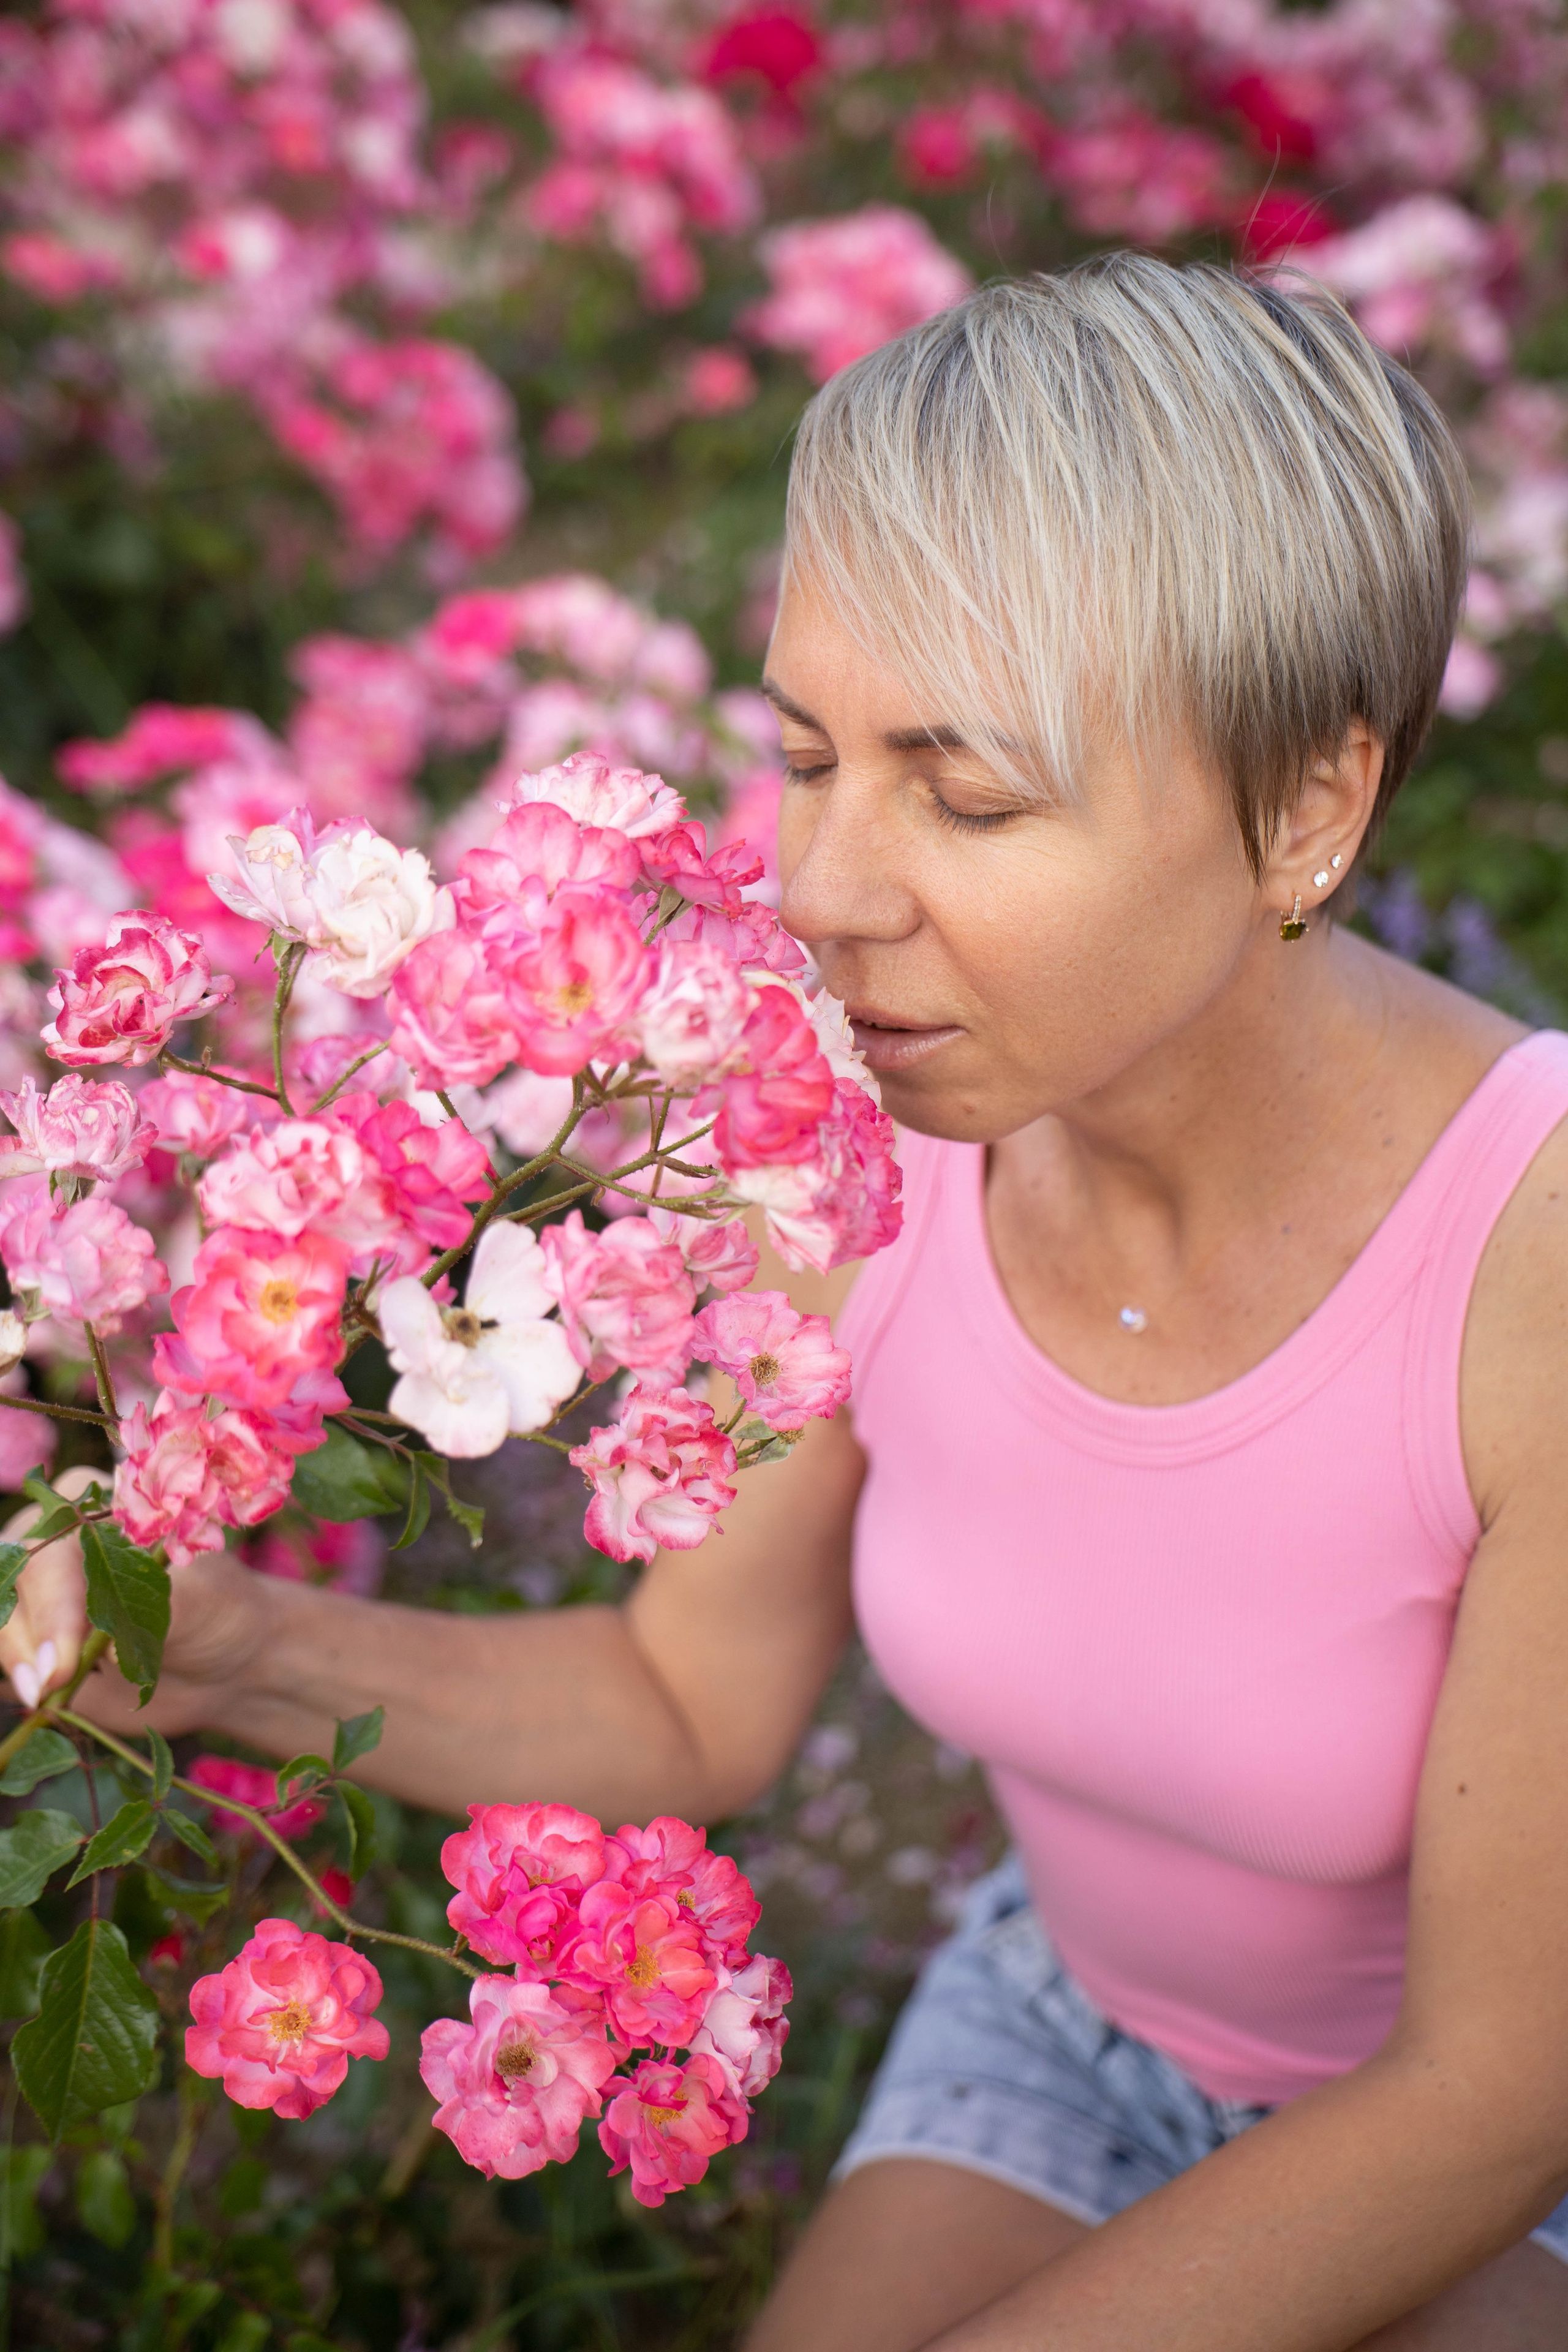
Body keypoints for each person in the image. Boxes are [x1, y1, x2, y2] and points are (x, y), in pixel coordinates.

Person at [7, 254, 1568, 2351]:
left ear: (1307, 808)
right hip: (1061, 2024)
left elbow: (1490, 2098)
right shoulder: (852, 1150)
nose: (825, 892)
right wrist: (232, 1652)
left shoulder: (1527, 1270)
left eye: (969, 793)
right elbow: (687, 1705)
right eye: (807, 755)